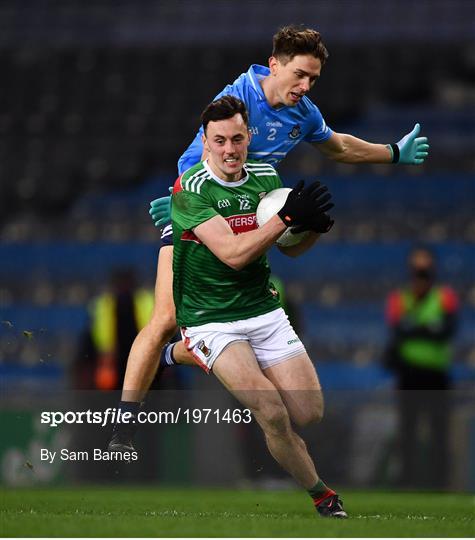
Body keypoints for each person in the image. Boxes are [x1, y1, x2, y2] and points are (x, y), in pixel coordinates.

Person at [109, 25, 429, 452]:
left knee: (243, 310)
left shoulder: (303, 111)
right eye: (299, 74)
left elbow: (338, 147)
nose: (305, 85)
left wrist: (392, 152)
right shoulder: (238, 101)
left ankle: (188, 351)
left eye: (313, 78)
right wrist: (182, 200)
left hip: (251, 216)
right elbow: (203, 152)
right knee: (166, 317)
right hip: (202, 209)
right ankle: (122, 423)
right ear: (274, 64)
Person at [172, 95, 345, 517]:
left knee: (309, 412)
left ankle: (176, 352)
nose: (229, 150)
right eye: (219, 141)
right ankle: (323, 495)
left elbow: (289, 252)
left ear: (249, 136)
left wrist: (313, 230)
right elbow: (233, 254)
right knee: (269, 410)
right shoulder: (189, 190)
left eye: (236, 138)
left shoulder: (267, 176)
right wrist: (285, 220)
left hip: (262, 311)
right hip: (211, 319)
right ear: (206, 142)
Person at [384, 246, 458, 489]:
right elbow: (398, 331)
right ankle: (407, 481)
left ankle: (440, 483)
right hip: (409, 374)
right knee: (407, 430)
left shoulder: (444, 296)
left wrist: (413, 328)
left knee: (439, 431)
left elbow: (446, 331)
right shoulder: (399, 297)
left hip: (436, 374)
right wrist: (428, 328)